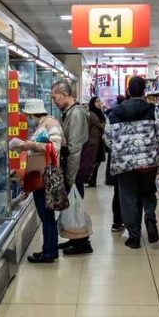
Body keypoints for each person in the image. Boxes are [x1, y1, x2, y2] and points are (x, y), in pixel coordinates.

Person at [104, 77, 159, 249]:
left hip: (124, 165)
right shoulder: (153, 110)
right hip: (148, 163)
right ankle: (150, 218)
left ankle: (134, 237)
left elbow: (107, 139)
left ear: (128, 91)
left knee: (128, 199)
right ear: (144, 91)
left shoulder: (114, 113)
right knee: (148, 192)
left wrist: (122, 149)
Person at [15, 98, 63, 263]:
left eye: (28, 115)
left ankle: (49, 252)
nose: (27, 118)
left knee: (46, 215)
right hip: (41, 174)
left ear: (32, 113)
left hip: (45, 176)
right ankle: (49, 249)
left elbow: (55, 147)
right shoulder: (43, 123)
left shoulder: (50, 124)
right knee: (46, 215)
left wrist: (30, 145)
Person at [50, 80, 93, 255]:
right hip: (74, 167)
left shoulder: (75, 114)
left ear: (65, 95)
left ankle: (82, 243)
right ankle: (75, 239)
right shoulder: (70, 113)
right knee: (73, 204)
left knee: (76, 204)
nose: (54, 101)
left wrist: (70, 177)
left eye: (55, 97)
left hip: (76, 169)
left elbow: (75, 148)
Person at [105, 95, 125, 232]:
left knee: (118, 192)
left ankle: (117, 222)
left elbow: (107, 138)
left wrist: (116, 148)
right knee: (134, 193)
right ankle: (135, 227)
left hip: (118, 160)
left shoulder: (113, 114)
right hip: (140, 163)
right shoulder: (149, 110)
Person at [83, 96, 107, 188]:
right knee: (93, 162)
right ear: (92, 103)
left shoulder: (99, 113)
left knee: (97, 161)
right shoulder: (91, 114)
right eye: (97, 101)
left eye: (99, 101)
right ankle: (89, 180)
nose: (99, 103)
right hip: (92, 142)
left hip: (98, 141)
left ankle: (92, 181)